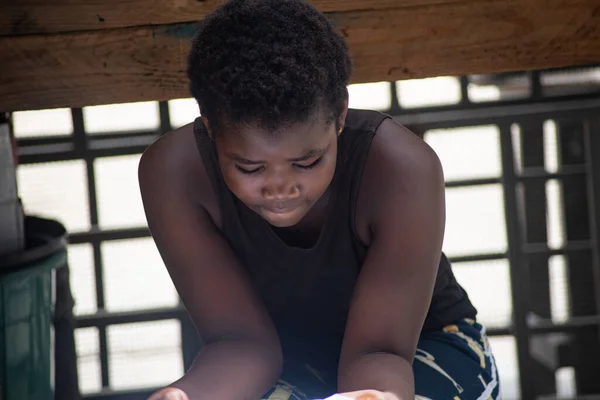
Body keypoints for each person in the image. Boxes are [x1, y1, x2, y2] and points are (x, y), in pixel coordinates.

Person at [139, 1, 500, 399]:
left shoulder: (401, 167)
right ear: (210, 128)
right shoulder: (173, 173)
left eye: (308, 161)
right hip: (275, 365)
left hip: (416, 351)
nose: (281, 187)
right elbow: (240, 344)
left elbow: (379, 350)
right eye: (250, 168)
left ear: (340, 114)